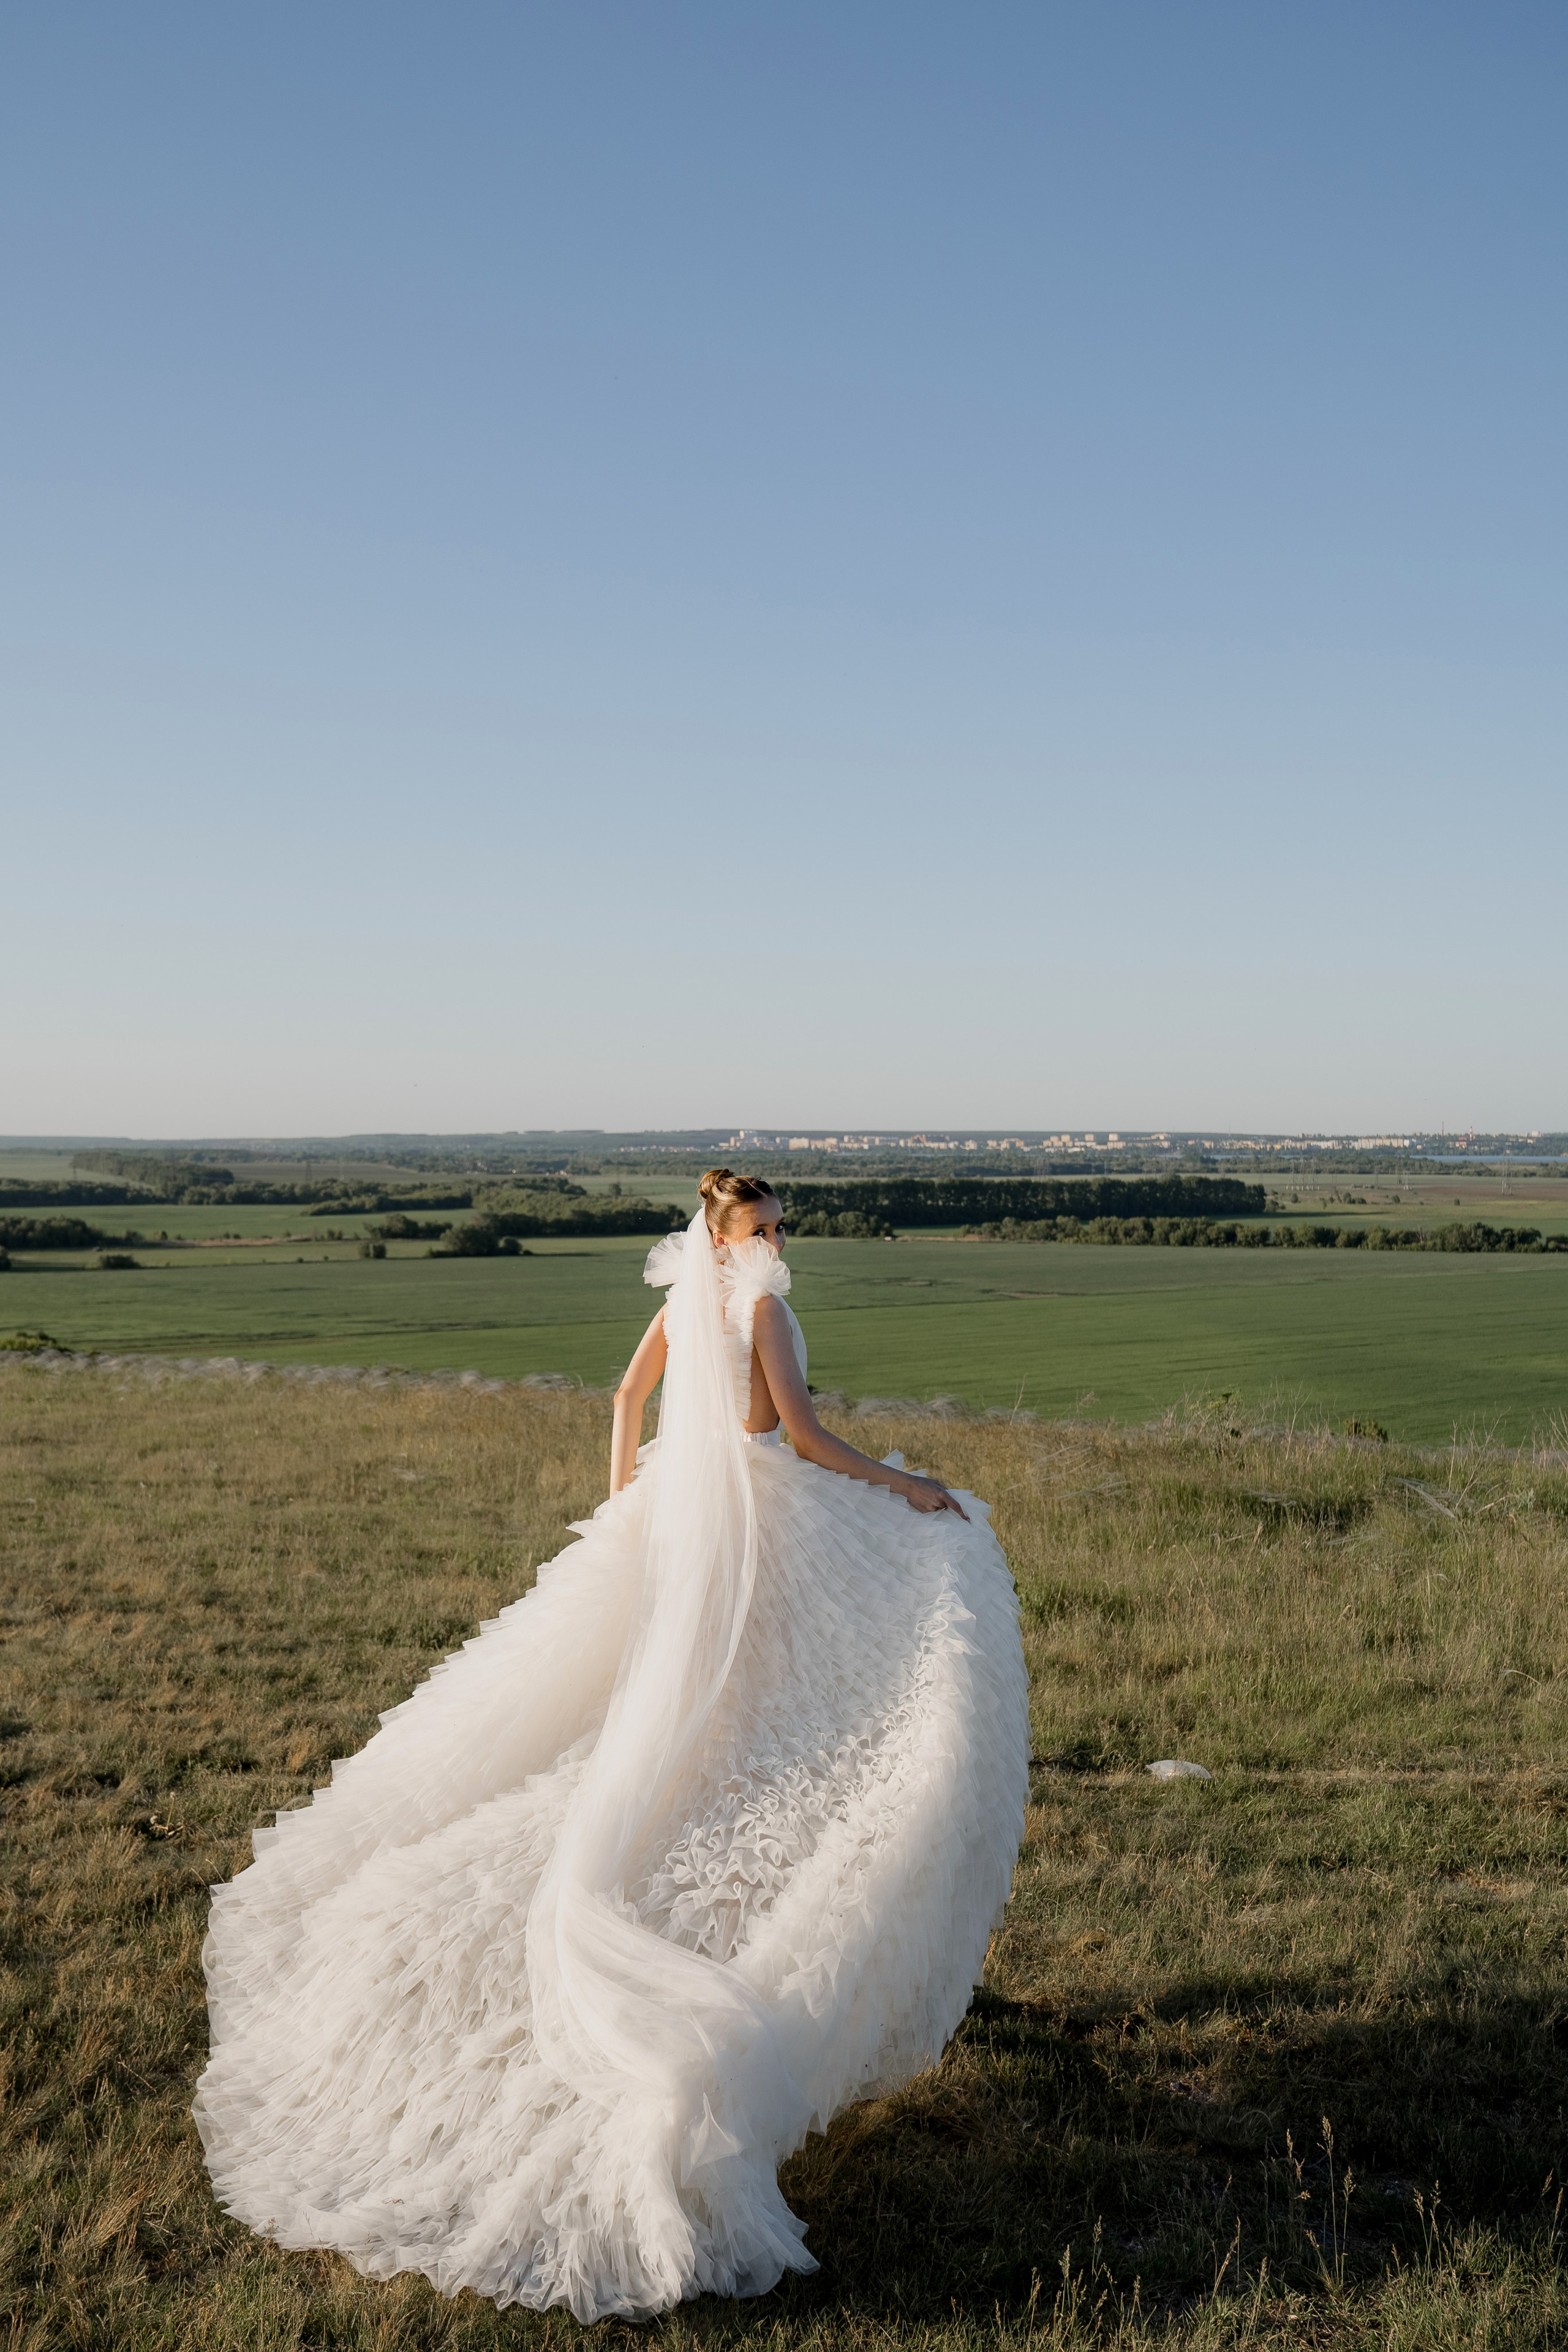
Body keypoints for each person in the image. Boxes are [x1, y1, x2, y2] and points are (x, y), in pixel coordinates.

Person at [194, 1168, 1029, 2323]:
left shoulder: (685, 1304)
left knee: (684, 1715)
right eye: (764, 1229)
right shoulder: (762, 1312)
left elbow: (629, 1402)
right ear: (728, 1236)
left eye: (781, 1228)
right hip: (766, 1522)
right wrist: (907, 1483)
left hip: (684, 1521)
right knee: (886, 1618)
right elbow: (803, 1435)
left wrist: (629, 1508)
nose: (780, 1244)